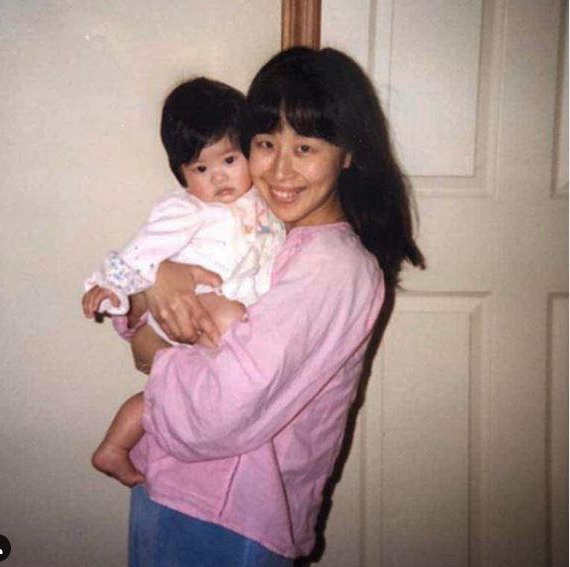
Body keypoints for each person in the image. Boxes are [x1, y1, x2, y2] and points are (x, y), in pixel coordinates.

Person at [119, 46, 425, 566]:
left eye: (305, 147)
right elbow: (154, 301)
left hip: (232, 517)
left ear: (348, 153)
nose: (280, 170)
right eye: (265, 143)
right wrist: (155, 282)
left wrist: (152, 350)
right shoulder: (258, 229)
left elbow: (223, 408)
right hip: (174, 486)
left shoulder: (334, 267)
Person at [82, 77, 284, 487]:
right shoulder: (187, 209)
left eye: (229, 160)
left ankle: (114, 448)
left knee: (176, 393)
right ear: (182, 173)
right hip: (196, 304)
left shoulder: (262, 202)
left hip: (222, 318)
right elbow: (142, 250)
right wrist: (110, 286)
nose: (219, 178)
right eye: (201, 168)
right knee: (232, 320)